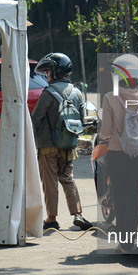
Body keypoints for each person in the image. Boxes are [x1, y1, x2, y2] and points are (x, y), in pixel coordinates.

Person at [99, 54, 138, 253]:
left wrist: (103, 135)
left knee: (120, 196)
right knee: (135, 196)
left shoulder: (110, 97)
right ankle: (131, 242)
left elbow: (106, 131)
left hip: (117, 154)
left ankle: (123, 243)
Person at [31, 52, 92, 231]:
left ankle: (51, 219)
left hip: (47, 147)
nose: (47, 75)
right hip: (68, 146)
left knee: (49, 182)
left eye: (48, 71)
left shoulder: (48, 94)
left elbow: (35, 120)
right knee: (68, 179)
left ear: (56, 72)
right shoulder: (77, 93)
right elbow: (81, 119)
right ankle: (78, 214)